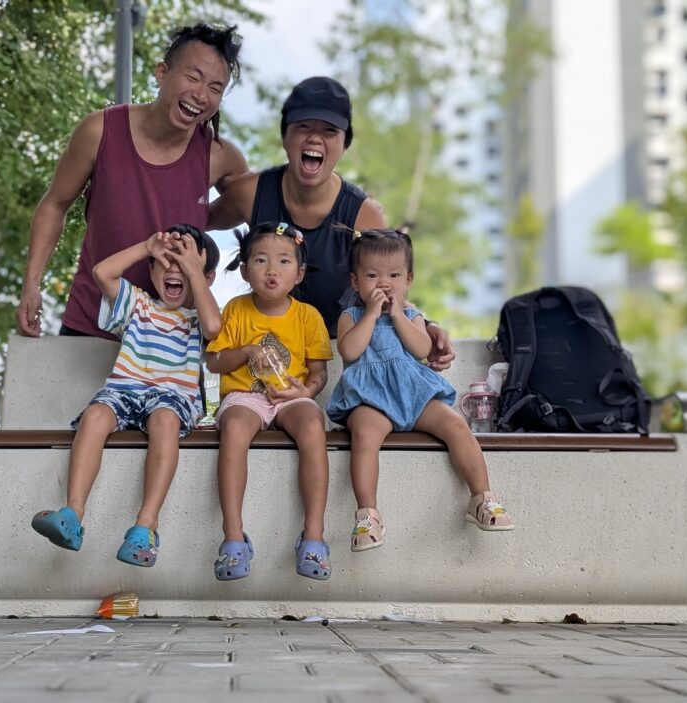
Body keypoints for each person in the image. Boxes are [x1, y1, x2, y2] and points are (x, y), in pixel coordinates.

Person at [17, 23, 248, 340]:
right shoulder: (99, 131)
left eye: (215, 88)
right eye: (193, 77)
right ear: (162, 73)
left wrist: (201, 216)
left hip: (172, 341)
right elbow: (55, 205)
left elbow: (254, 211)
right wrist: (32, 284)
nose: (201, 95)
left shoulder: (221, 156)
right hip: (91, 326)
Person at [208, 76, 454, 367]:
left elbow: (385, 282)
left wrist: (426, 324)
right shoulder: (251, 193)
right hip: (267, 353)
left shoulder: (363, 214)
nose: (315, 138)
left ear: (344, 144)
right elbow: (193, 223)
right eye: (303, 127)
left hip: (336, 354)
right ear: (285, 137)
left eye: (329, 131)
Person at [31, 225, 222, 567]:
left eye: (185, 262)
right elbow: (102, 272)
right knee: (94, 416)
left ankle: (145, 526)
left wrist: (194, 271)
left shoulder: (197, 319)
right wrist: (146, 246)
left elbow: (214, 328)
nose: (175, 268)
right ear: (152, 268)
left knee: (164, 421)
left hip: (172, 398)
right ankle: (73, 513)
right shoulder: (138, 304)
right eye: (166, 260)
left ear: (205, 276)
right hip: (124, 389)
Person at [326, 229, 514, 552]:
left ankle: (482, 497)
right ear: (355, 282)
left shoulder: (412, 316)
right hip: (370, 400)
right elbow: (350, 350)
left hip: (413, 394)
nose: (384, 284)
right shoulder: (351, 317)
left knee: (456, 424)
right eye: (372, 276)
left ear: (409, 280)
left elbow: (421, 349)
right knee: (365, 435)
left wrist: (398, 314)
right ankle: (368, 514)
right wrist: (371, 314)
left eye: (394, 275)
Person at [204, 222, 334, 581]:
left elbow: (318, 374)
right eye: (260, 260)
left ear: (299, 273)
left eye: (284, 261)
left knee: (313, 426)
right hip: (245, 397)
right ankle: (233, 539)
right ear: (245, 271)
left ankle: (313, 538)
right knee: (234, 429)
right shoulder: (236, 310)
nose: (272, 270)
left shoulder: (307, 316)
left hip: (291, 397)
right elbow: (213, 362)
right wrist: (246, 351)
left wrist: (304, 392)